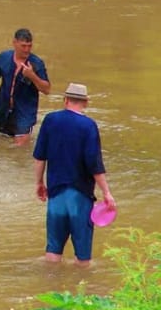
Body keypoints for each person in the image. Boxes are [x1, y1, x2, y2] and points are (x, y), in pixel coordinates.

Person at [33, 83, 115, 267]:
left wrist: (39, 183)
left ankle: (51, 287)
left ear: (65, 100)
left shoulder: (50, 120)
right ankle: (82, 289)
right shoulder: (88, 126)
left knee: (53, 253)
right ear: (85, 102)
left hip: (56, 193)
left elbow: (39, 157)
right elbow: (94, 164)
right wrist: (106, 192)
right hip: (80, 195)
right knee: (83, 258)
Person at [0, 28, 51, 145]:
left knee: (19, 147)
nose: (27, 50)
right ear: (14, 43)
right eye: (23, 46)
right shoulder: (3, 57)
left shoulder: (36, 63)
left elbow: (46, 89)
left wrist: (32, 76)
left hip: (25, 112)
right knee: (3, 143)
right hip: (4, 109)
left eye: (29, 46)